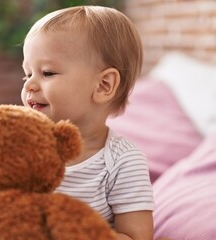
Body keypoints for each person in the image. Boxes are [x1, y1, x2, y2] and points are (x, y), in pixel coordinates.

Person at [21, 5, 154, 240]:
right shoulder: (22, 146)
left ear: (103, 85)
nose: (29, 85)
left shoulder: (123, 161)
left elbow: (136, 236)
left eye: (48, 73)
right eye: (27, 73)